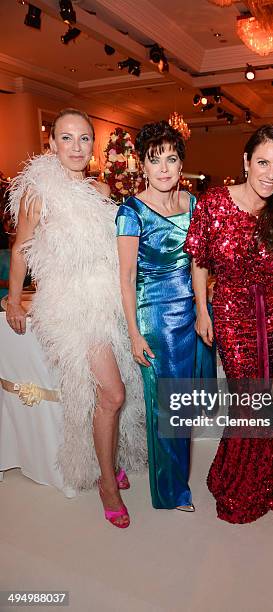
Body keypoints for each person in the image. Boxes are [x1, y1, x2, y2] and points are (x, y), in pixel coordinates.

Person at [6, 108, 146, 528]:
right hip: (72, 307)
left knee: (115, 392)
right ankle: (106, 481)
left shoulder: (101, 190)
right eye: (66, 138)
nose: (76, 147)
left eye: (84, 138)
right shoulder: (38, 192)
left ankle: (110, 457)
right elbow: (19, 250)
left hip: (108, 301)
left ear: (93, 146)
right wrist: (13, 300)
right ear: (51, 143)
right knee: (113, 393)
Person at [185, 124, 273, 523]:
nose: (271, 174)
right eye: (264, 162)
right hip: (232, 314)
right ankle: (238, 485)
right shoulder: (216, 202)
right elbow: (199, 260)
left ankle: (261, 478)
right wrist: (203, 309)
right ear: (246, 161)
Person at [116, 121, 214, 511]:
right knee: (167, 406)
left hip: (189, 313)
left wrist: (203, 311)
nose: (164, 168)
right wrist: (134, 334)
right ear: (142, 165)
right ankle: (170, 491)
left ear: (181, 164)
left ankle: (176, 479)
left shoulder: (191, 203)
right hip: (155, 317)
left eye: (171, 159)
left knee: (184, 403)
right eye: (155, 161)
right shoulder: (131, 211)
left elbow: (198, 263)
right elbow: (124, 278)